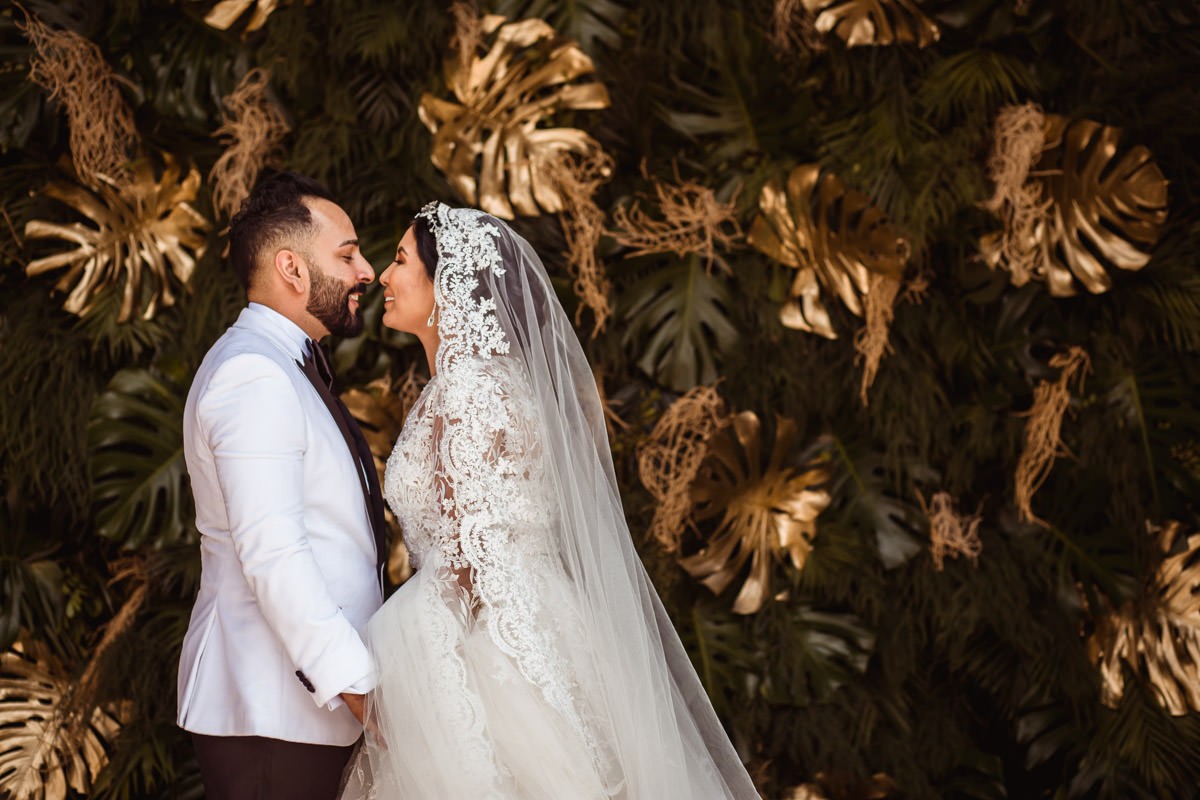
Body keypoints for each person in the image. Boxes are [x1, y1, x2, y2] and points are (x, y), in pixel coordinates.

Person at [341, 202, 758, 799]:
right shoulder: (498, 382)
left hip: (489, 644)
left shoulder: (467, 392)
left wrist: (394, 656)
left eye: (401, 260)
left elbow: (470, 555)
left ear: (448, 286)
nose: (383, 274)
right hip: (538, 621)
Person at [178, 171, 388, 800]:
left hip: (300, 716)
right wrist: (363, 694)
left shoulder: (281, 366)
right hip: (270, 713)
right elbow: (274, 554)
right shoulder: (253, 374)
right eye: (346, 254)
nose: (366, 270)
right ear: (292, 269)